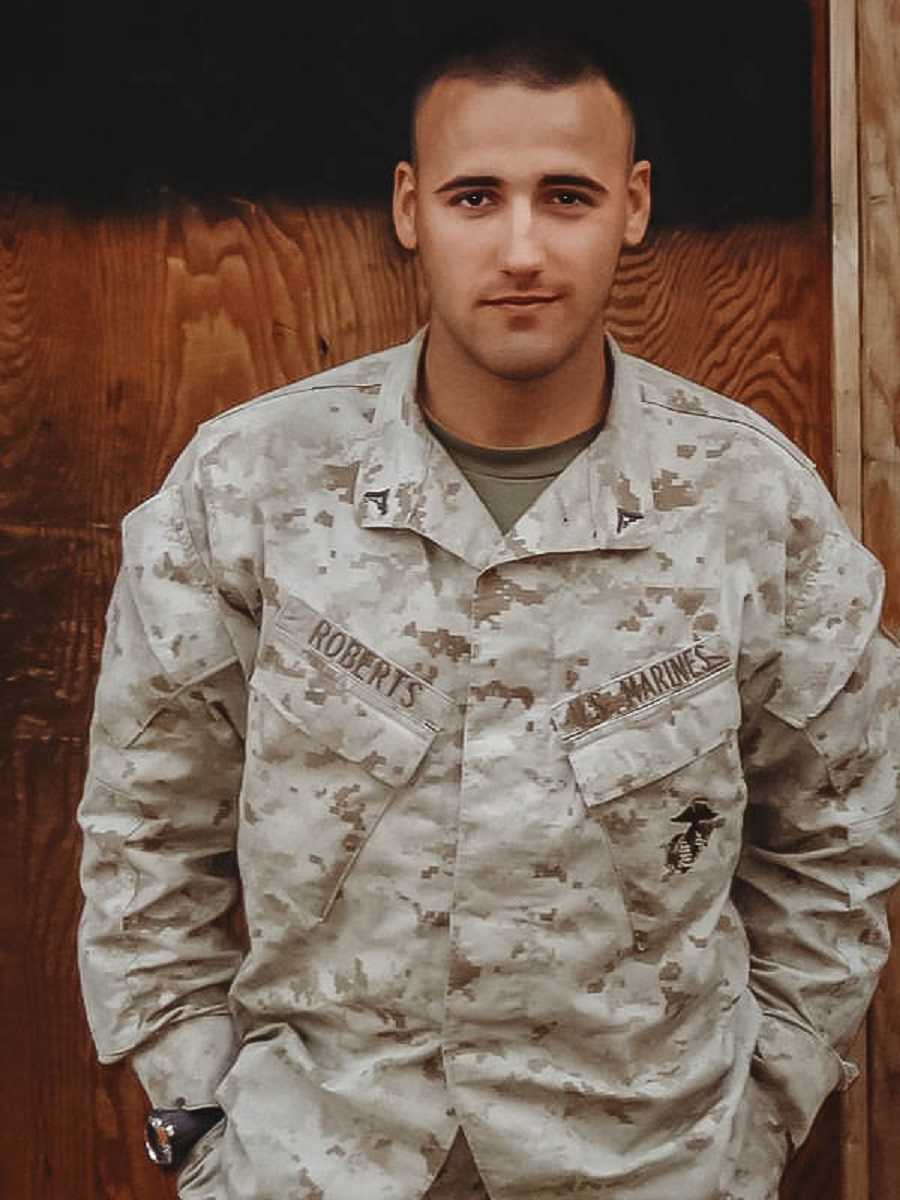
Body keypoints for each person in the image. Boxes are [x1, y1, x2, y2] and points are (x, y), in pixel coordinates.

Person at [77, 25, 900, 1200]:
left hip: (650, 1166)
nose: (521, 246)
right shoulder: (249, 487)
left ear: (633, 206)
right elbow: (147, 831)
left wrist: (760, 1114)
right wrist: (203, 1115)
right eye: (477, 196)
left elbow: (838, 836)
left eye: (566, 196)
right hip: (318, 1161)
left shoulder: (751, 504)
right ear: (411, 209)